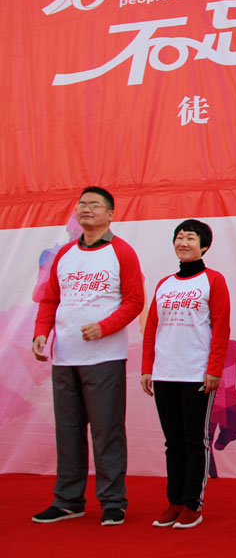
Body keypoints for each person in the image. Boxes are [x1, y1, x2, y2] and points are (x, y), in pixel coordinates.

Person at [31, 187, 144, 526]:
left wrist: (104, 327)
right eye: (82, 204)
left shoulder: (121, 252)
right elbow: (50, 300)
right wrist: (41, 333)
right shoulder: (65, 253)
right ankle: (68, 500)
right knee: (68, 430)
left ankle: (112, 501)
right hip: (65, 357)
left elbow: (135, 301)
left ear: (110, 214)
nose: (86, 209)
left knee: (106, 430)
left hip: (104, 357)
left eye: (95, 205)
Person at [141, 219, 230, 529]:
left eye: (191, 238)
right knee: (173, 442)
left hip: (196, 374)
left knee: (196, 441)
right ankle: (174, 502)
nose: (183, 242)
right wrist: (146, 368)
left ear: (204, 246)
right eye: (179, 237)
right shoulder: (165, 284)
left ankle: (193, 503)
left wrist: (214, 370)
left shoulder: (213, 280)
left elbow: (221, 327)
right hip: (165, 373)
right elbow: (152, 327)